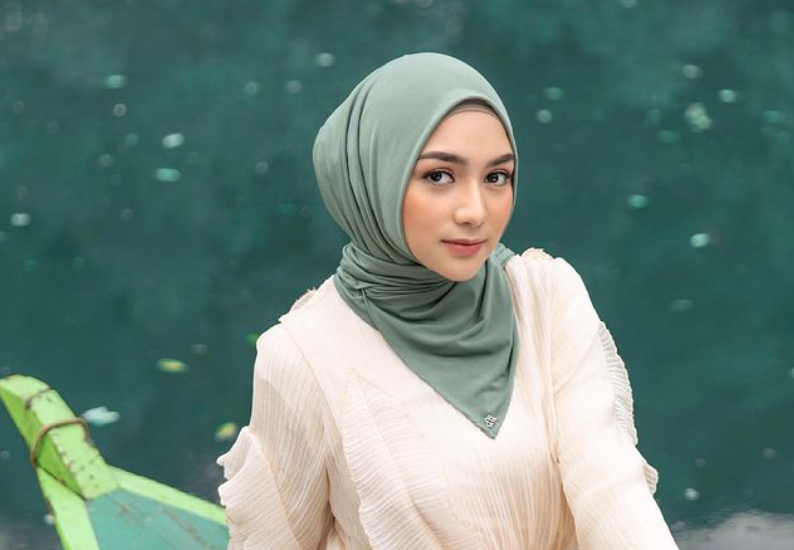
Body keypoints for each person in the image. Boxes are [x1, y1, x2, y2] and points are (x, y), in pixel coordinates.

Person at [216, 52, 681, 550]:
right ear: (372, 178)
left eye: (496, 177)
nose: (475, 211)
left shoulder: (545, 296)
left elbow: (610, 488)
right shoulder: (303, 356)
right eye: (439, 176)